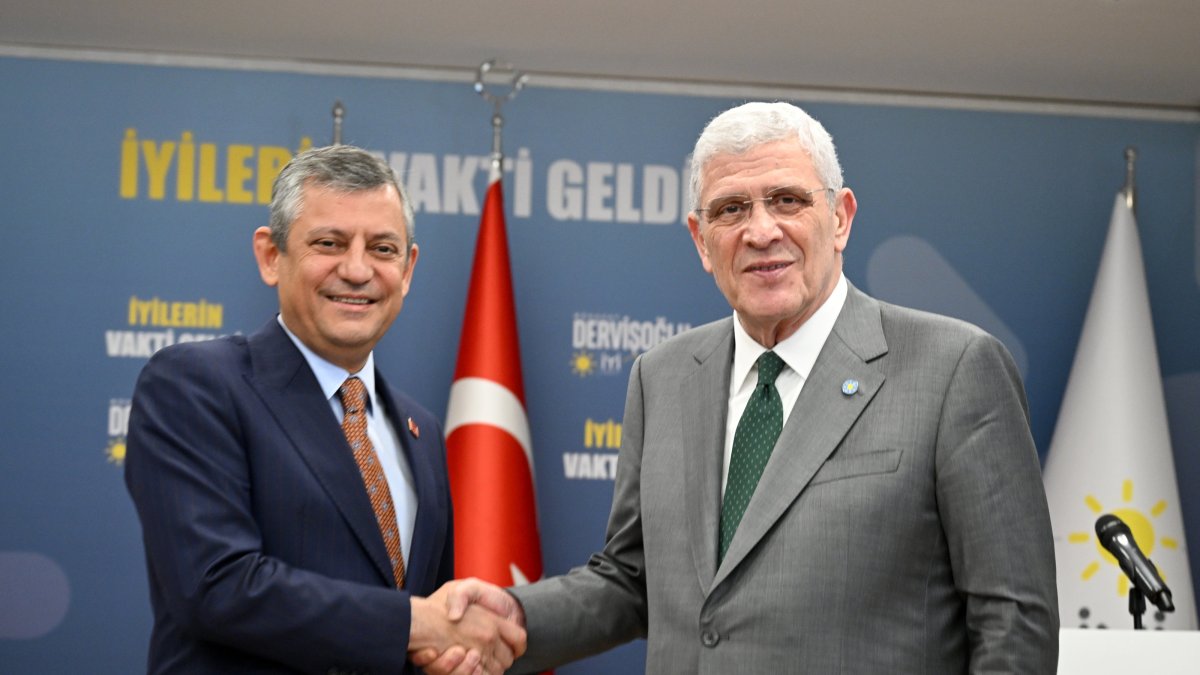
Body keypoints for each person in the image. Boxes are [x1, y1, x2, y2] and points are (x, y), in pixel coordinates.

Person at [421, 101, 1060, 673]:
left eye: (787, 200)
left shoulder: (954, 368)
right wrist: (509, 617)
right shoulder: (662, 376)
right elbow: (633, 578)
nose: (760, 232)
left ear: (839, 218)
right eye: (732, 209)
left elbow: (1015, 626)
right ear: (702, 240)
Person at [124, 145, 524, 674]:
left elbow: (423, 627)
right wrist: (416, 624)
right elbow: (216, 585)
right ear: (271, 256)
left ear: (408, 269)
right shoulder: (195, 385)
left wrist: (448, 653)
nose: (357, 270)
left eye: (382, 249)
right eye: (329, 243)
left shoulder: (421, 431)